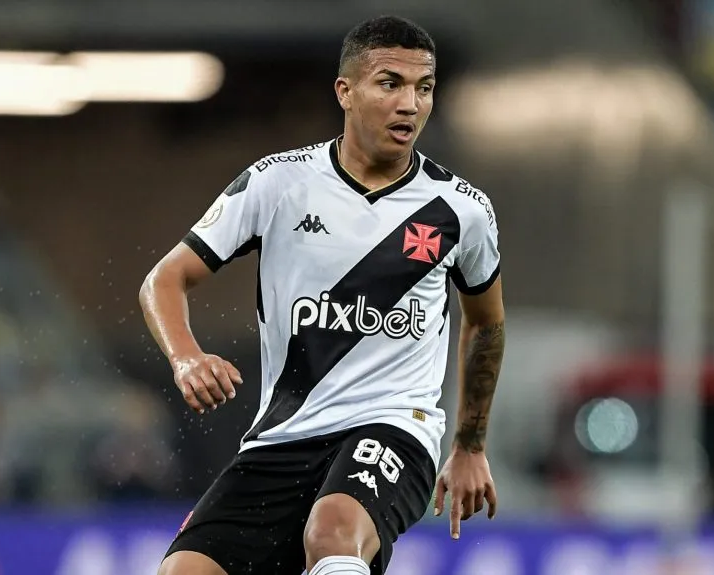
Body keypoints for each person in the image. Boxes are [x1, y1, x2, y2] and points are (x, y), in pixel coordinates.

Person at [140, 15, 505, 575]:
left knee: (333, 530)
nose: (410, 104)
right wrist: (186, 356)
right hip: (283, 436)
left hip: (393, 426)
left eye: (424, 88)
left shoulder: (461, 210)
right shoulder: (278, 184)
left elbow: (486, 322)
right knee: (183, 571)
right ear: (346, 92)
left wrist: (470, 445)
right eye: (390, 84)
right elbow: (164, 279)